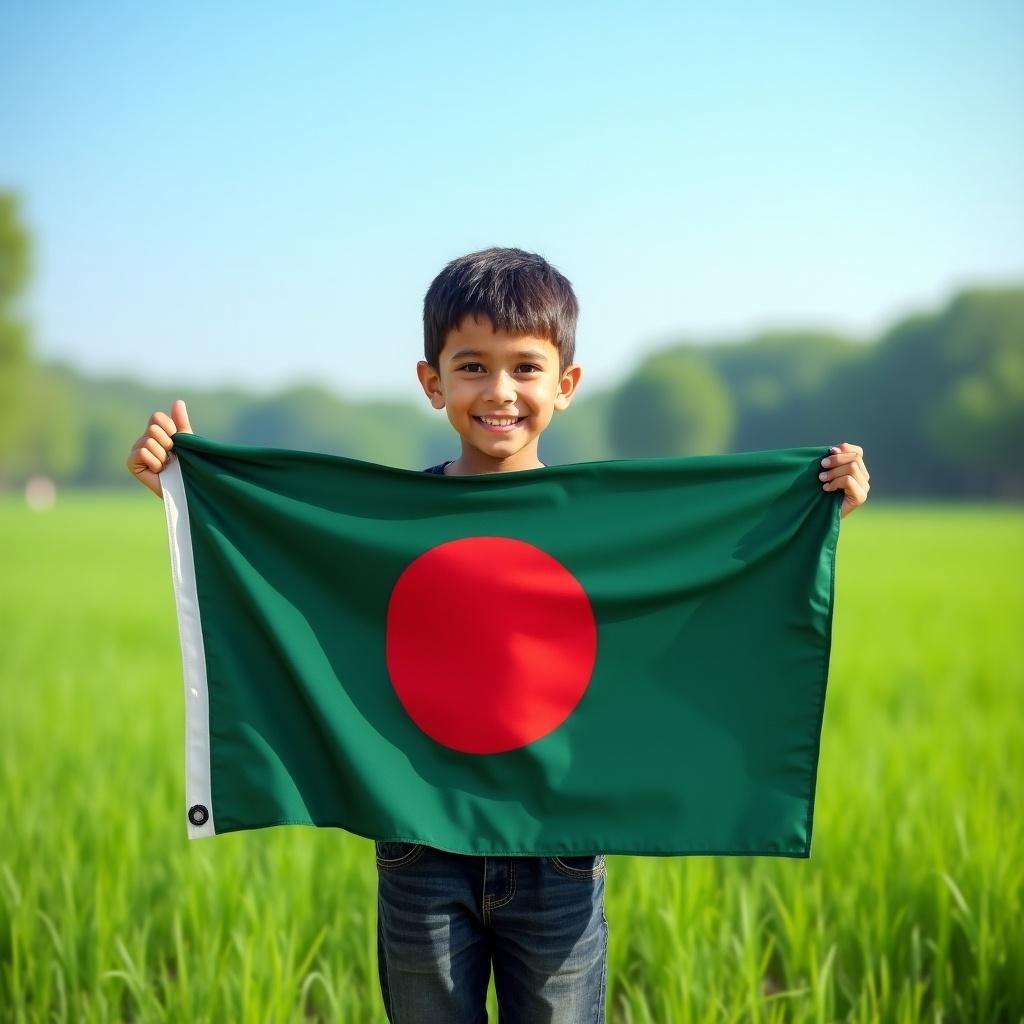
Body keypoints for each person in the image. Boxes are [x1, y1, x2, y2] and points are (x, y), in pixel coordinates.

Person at [126, 246, 871, 1023]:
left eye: (525, 368)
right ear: (432, 382)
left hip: (560, 854)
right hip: (421, 850)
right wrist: (186, 488)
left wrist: (812, 515)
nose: (500, 392)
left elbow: (713, 578)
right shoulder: (385, 524)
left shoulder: (597, 529)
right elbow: (280, 561)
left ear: (566, 385)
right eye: (473, 367)